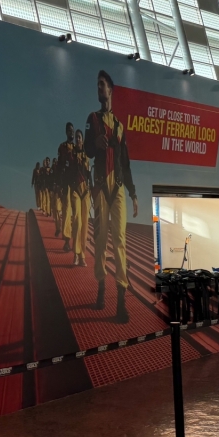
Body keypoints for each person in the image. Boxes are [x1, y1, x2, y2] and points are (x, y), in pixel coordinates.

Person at [85, 70, 138, 322]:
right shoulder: (92, 119)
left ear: (110, 90)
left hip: (117, 189)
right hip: (99, 187)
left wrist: (134, 193)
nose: (98, 88)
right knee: (100, 242)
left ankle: (120, 302)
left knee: (119, 242)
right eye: (96, 85)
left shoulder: (119, 125)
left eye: (102, 85)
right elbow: (86, 150)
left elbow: (125, 163)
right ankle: (101, 288)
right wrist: (94, 142)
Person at [69, 129, 91, 267]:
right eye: (76, 137)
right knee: (77, 222)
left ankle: (83, 256)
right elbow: (68, 173)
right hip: (75, 190)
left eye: (79, 137)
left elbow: (89, 173)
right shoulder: (71, 155)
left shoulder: (87, 154)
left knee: (85, 224)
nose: (77, 139)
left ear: (82, 140)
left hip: (86, 191)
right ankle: (76, 254)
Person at [56, 123, 77, 252]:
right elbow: (59, 167)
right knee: (67, 210)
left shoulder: (77, 147)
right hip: (67, 183)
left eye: (73, 130)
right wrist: (59, 184)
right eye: (69, 131)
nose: (71, 133)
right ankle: (67, 241)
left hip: (77, 184)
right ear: (66, 132)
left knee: (77, 214)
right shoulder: (62, 147)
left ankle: (77, 240)